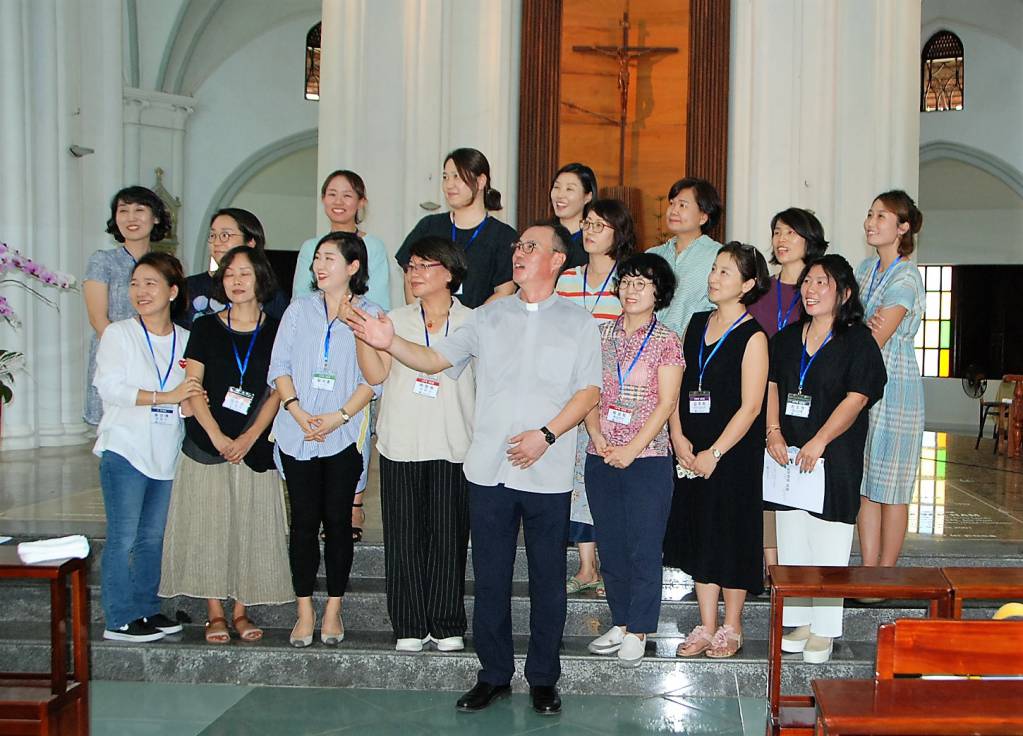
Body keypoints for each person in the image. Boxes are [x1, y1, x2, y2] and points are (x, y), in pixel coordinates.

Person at [349, 221, 601, 716]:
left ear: (556, 260)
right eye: (518, 245)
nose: (519, 253)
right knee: (489, 579)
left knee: (548, 579)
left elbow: (588, 391)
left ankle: (544, 678)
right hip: (488, 470)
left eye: (531, 246)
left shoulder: (579, 322)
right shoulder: (488, 317)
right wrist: (388, 341)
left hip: (547, 469)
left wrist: (546, 435)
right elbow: (432, 360)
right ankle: (493, 675)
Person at [159, 246, 293, 643]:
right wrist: (217, 436)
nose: (236, 281)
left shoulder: (278, 330)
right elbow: (193, 385)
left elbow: (277, 390)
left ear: (261, 279)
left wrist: (248, 438)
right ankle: (215, 613)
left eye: (245, 273)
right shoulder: (205, 327)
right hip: (207, 443)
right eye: (229, 274)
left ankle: (241, 611)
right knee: (209, 527)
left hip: (254, 445)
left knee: (250, 526)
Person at [355, 236, 475, 652]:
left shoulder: (473, 322)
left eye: (425, 266)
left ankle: (446, 623)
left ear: (450, 273)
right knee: (403, 539)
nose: (415, 274)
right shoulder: (394, 319)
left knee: (448, 538)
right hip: (401, 440)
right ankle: (408, 623)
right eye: (411, 267)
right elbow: (375, 375)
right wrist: (364, 336)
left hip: (454, 441)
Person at [766, 255, 886, 663]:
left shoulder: (858, 341)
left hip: (834, 457)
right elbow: (773, 386)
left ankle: (825, 628)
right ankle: (800, 619)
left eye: (822, 282)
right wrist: (773, 431)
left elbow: (858, 398)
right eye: (807, 282)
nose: (811, 290)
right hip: (788, 454)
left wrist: (820, 440)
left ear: (844, 293)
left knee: (829, 541)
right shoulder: (786, 338)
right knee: (793, 539)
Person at [268, 231, 381, 648]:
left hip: (343, 435)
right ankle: (304, 611)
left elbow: (374, 380)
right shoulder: (299, 310)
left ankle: (333, 608)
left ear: (353, 266)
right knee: (302, 524)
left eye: (329, 258)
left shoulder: (370, 314)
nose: (320, 265)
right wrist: (296, 410)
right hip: (296, 431)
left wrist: (338, 417)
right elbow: (279, 366)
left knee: (337, 523)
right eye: (317, 258)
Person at [665, 242, 770, 659]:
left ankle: (732, 625)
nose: (714, 277)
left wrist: (716, 453)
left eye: (725, 272)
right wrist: (677, 435)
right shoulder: (695, 323)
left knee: (730, 534)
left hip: (733, 454)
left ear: (747, 284)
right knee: (700, 533)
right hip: (692, 449)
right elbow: (676, 386)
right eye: (714, 268)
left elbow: (752, 406)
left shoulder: (753, 336)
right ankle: (706, 625)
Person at [93, 252, 202, 641]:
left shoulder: (187, 340)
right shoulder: (119, 334)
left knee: (152, 538)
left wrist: (189, 403)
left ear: (173, 291)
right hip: (125, 448)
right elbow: (110, 388)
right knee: (123, 537)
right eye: (135, 284)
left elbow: (189, 398)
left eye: (150, 283)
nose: (140, 291)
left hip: (165, 454)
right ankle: (119, 618)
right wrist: (165, 396)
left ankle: (146, 609)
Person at [584, 254, 683, 667]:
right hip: (601, 454)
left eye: (642, 283)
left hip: (648, 458)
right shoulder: (599, 334)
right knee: (611, 545)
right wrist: (596, 435)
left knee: (644, 547)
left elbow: (666, 403)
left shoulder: (667, 340)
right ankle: (620, 621)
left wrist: (631, 448)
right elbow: (587, 391)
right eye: (626, 281)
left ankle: (639, 629)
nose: (631, 289)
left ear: (659, 292)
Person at [555, 199, 634, 596]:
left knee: (608, 480)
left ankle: (614, 564)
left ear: (618, 233)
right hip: (569, 392)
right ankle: (587, 567)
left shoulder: (629, 281)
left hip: (615, 395)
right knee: (576, 480)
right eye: (587, 224)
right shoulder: (567, 279)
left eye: (599, 226)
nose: (589, 231)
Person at [748, 208, 829, 576]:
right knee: (765, 477)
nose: (781, 240)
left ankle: (794, 566)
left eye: (791, 233)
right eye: (777, 232)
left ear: (810, 240)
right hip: (757, 394)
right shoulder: (760, 290)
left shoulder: (819, 293)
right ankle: (771, 567)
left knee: (795, 478)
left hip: (802, 401)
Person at [855, 190, 925, 569]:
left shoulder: (906, 276)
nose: (871, 222)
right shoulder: (866, 269)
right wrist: (859, 326)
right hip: (861, 380)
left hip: (894, 385)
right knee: (866, 484)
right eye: (870, 214)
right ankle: (869, 572)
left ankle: (886, 573)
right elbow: (851, 323)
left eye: (881, 216)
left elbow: (878, 335)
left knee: (892, 487)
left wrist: (860, 327)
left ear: (903, 227)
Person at [83, 186, 172, 425]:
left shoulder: (167, 264)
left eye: (139, 210)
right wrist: (135, 354)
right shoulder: (103, 261)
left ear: (155, 217)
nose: (131, 218)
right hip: (116, 357)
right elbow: (98, 319)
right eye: (123, 211)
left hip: (159, 357)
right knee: (115, 430)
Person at [395, 148, 517, 308]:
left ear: (481, 181)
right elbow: (409, 274)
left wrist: (472, 320)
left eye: (457, 176)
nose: (449, 185)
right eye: (445, 177)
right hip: (428, 321)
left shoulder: (503, 236)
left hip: (479, 321)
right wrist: (421, 316)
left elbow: (505, 291)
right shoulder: (429, 226)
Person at [292, 170, 391, 310]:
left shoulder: (374, 247)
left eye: (347, 195)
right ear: (323, 199)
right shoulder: (310, 247)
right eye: (332, 194)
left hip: (360, 320)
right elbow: (300, 298)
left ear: (361, 202)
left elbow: (379, 303)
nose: (338, 202)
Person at [176, 207, 288, 327]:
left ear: (250, 242)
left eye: (225, 235)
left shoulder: (270, 293)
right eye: (212, 235)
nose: (216, 242)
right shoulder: (189, 287)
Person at [645, 177, 723, 338]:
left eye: (682, 205)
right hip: (647, 346)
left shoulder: (718, 255)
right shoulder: (652, 255)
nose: (673, 210)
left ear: (703, 217)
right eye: (671, 203)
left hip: (691, 345)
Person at [550, 162, 598, 269]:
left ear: (588, 197)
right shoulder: (543, 233)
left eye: (569, 189)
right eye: (556, 187)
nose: (560, 195)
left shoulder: (594, 240)